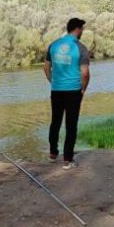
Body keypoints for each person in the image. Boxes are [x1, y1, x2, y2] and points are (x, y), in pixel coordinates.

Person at [44, 17, 91, 170]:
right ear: (77, 29)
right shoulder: (81, 48)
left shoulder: (53, 45)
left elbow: (46, 68)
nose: (82, 32)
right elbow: (84, 74)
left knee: (55, 121)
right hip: (73, 91)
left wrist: (54, 82)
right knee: (71, 125)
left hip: (57, 90)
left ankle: (52, 154)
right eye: (82, 29)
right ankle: (67, 160)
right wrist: (83, 89)